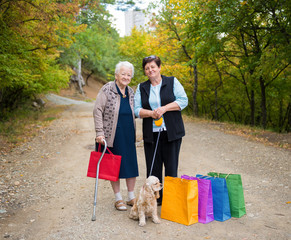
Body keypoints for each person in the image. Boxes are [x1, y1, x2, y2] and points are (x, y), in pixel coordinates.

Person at [134, 55, 188, 205]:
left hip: (171, 133)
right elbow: (136, 110)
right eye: (147, 68)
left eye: (153, 67)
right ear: (145, 71)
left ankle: (171, 201)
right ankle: (155, 200)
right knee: (153, 169)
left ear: (159, 68)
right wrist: (151, 113)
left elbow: (183, 101)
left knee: (171, 167)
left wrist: (164, 108)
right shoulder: (141, 87)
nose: (150, 70)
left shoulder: (172, 81)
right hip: (151, 134)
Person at [93, 61, 138, 211]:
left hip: (128, 133)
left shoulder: (131, 92)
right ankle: (118, 198)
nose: (126, 77)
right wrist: (100, 132)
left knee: (131, 165)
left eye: (129, 74)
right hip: (113, 134)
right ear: (116, 75)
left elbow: (135, 112)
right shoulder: (107, 89)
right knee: (115, 166)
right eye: (123, 74)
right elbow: (97, 110)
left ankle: (131, 197)